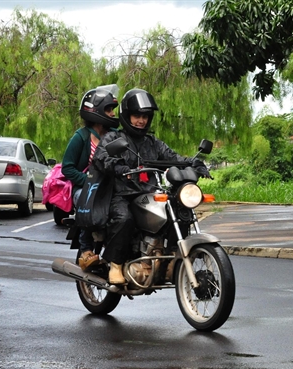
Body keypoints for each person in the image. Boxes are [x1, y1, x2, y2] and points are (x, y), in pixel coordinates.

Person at [92, 88, 211, 284]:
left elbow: (174, 158)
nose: (141, 120)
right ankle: (115, 264)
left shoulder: (152, 142)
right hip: (123, 194)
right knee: (125, 219)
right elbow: (101, 157)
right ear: (126, 115)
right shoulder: (114, 139)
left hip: (148, 192)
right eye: (137, 115)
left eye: (145, 116)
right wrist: (118, 166)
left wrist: (194, 163)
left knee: (179, 211)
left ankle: (172, 261)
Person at [61, 84, 119, 270]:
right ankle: (86, 250)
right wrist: (87, 183)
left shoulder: (114, 135)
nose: (112, 113)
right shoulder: (81, 137)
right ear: (96, 111)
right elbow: (67, 168)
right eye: (108, 109)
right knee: (90, 203)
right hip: (85, 190)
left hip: (110, 189)